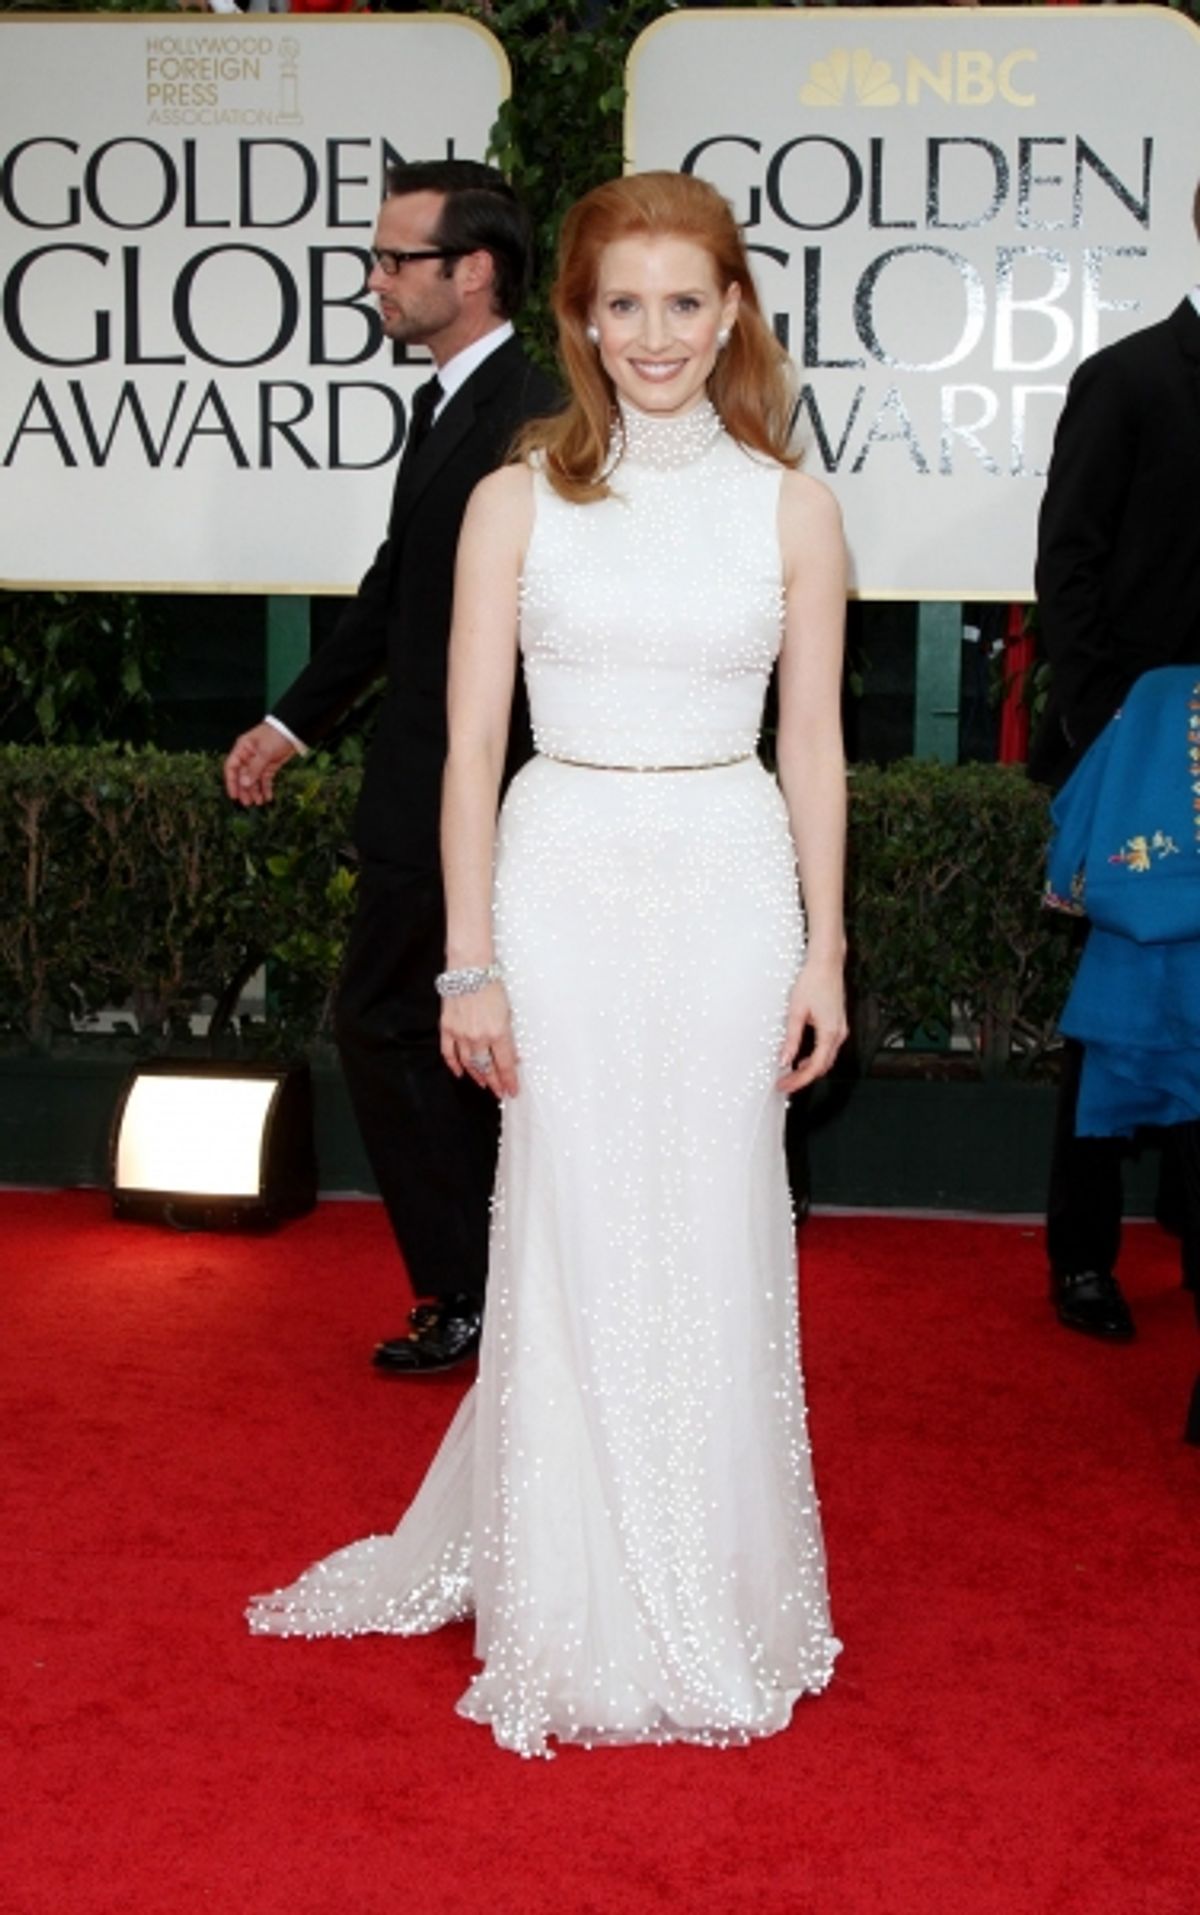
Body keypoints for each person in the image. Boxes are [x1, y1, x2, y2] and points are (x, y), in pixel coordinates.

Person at [248, 170, 847, 1758]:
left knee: (715, 1221)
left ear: (732, 314)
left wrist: (829, 950)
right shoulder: (516, 496)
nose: (654, 334)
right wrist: (467, 963)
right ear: (576, 315)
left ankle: (713, 1580)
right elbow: (460, 751)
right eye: (622, 303)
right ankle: (569, 1588)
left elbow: (815, 747)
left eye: (685, 301)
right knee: (572, 1220)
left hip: (727, 885)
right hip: (562, 872)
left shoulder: (791, 505)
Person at [223, 160, 557, 1373]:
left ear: (472, 272)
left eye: (393, 259)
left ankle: (468, 1292)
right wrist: (291, 723)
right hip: (445, 785)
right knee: (452, 1038)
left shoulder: (531, 418)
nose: (372, 281)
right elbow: (393, 596)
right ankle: (491, 1287)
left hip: (474, 792)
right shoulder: (457, 405)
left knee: (387, 1024)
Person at [1029, 181, 1200, 1343]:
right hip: (1145, 758)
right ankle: (1082, 1254)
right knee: (1117, 1006)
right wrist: (1106, 743)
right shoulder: (1133, 378)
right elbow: (1069, 568)